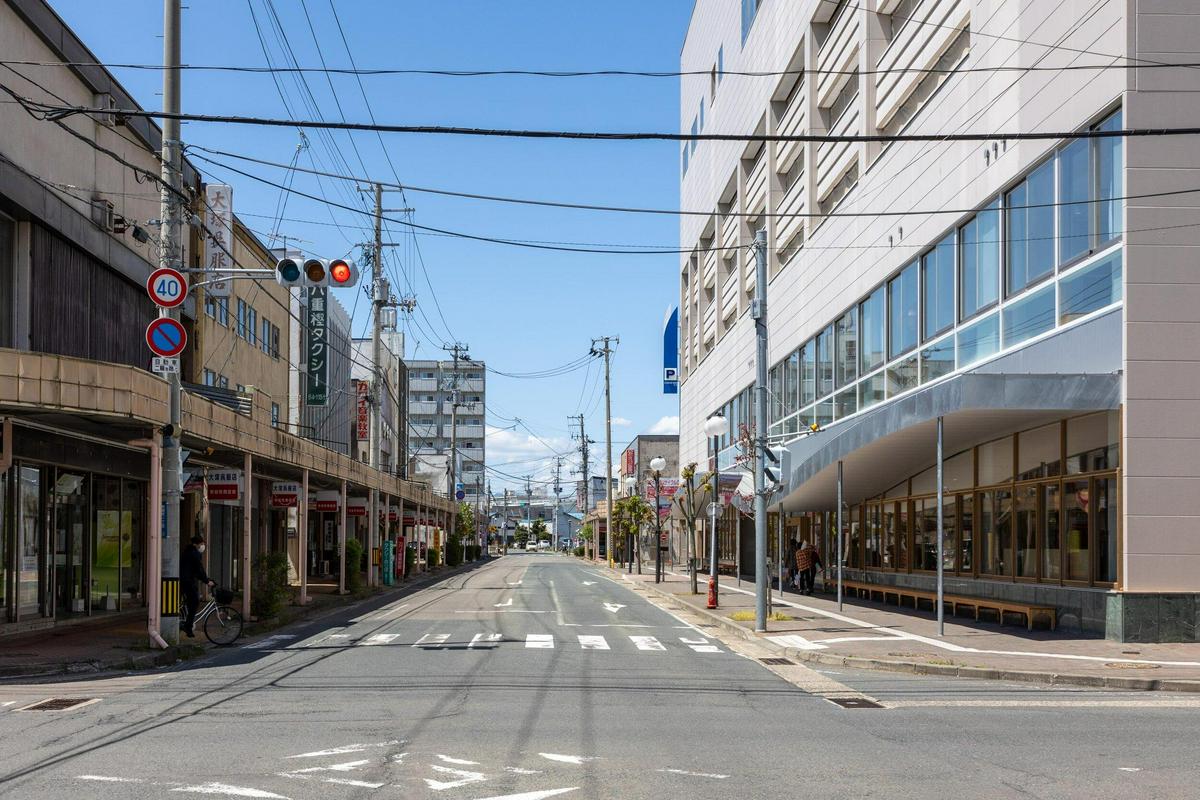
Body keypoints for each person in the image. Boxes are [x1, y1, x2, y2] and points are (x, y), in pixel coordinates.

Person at [181, 534, 214, 637]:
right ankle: (188, 626)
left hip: (184, 580)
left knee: (190, 601)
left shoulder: (187, 551)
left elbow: (197, 570)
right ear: (195, 544)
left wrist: (205, 579)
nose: (203, 546)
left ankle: (186, 621)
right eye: (201, 544)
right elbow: (199, 569)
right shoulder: (194, 554)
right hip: (187, 581)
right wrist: (207, 581)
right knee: (195, 602)